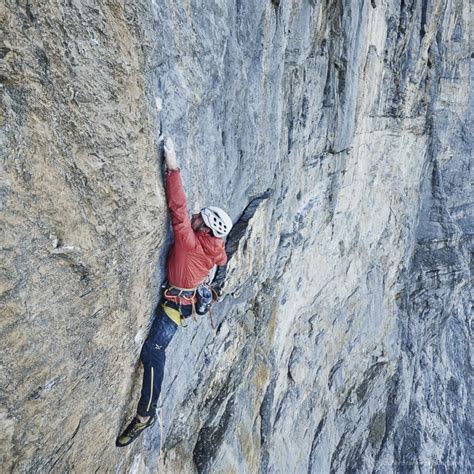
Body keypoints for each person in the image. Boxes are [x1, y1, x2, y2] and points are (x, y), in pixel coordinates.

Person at [116, 137, 233, 447]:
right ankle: (146, 413)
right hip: (180, 302)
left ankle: (145, 415)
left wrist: (172, 161)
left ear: (205, 230)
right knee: (154, 350)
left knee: (153, 352)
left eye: (200, 219)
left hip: (173, 309)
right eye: (199, 215)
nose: (195, 216)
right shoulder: (213, 246)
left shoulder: (191, 243)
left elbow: (178, 207)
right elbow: (220, 256)